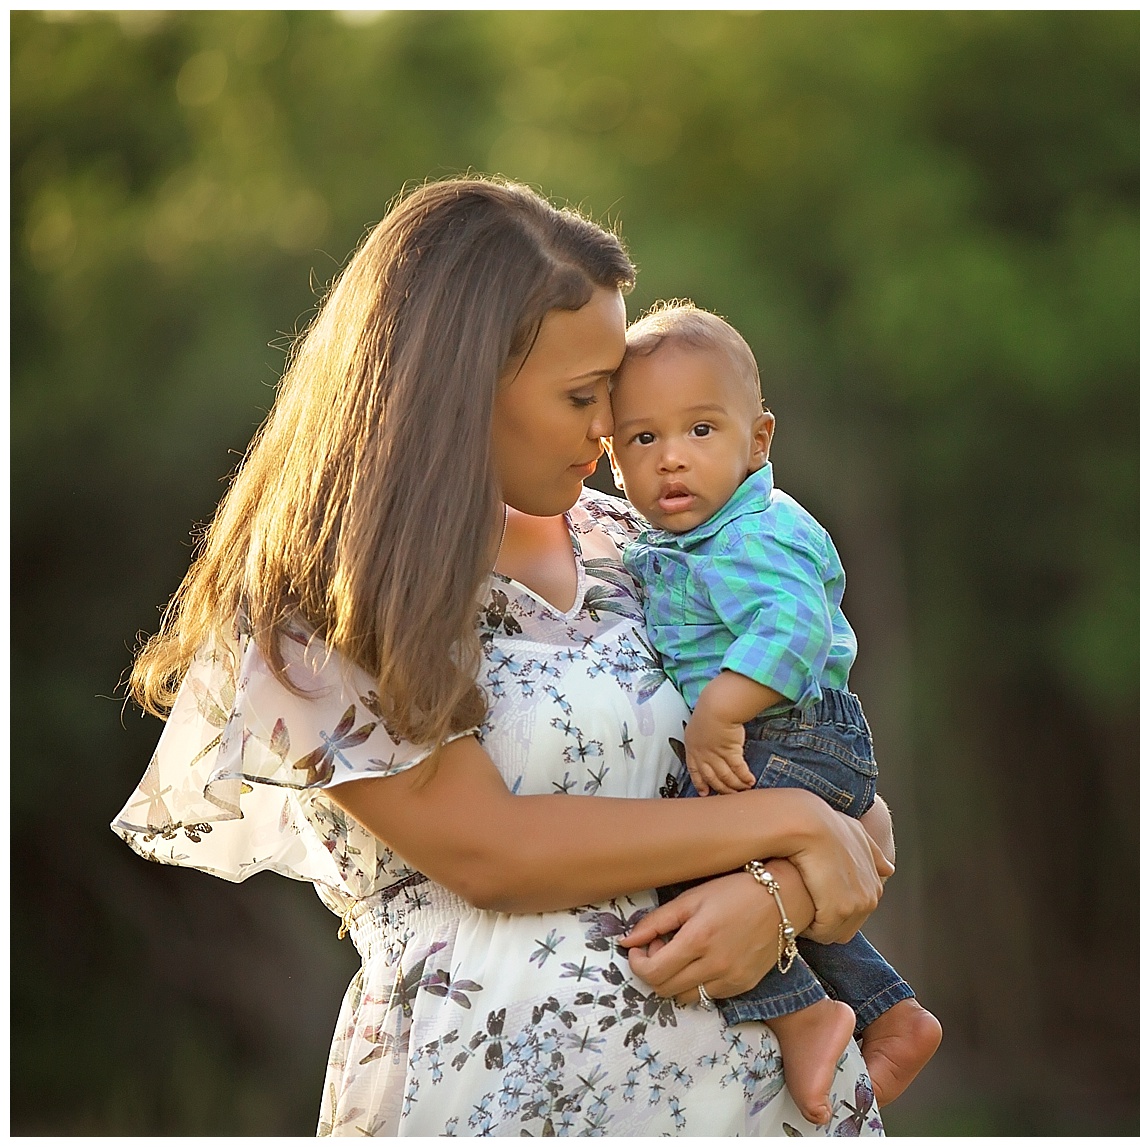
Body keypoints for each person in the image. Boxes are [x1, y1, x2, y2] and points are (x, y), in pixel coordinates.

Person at [112, 177, 894, 1137]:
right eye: (583, 394)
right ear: (459, 386)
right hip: (492, 1095)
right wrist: (791, 828)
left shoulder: (639, 545)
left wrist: (777, 894)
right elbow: (493, 850)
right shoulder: (318, 609)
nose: (611, 428)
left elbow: (843, 801)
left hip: (740, 1099)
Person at [606, 301, 942, 1124]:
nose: (671, 459)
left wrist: (719, 712)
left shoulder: (753, 531)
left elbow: (792, 630)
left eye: (700, 431)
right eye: (643, 440)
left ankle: (802, 1013)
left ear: (758, 441)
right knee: (728, 861)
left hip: (786, 727)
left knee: (693, 855)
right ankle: (888, 1013)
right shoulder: (672, 541)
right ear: (614, 461)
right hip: (788, 732)